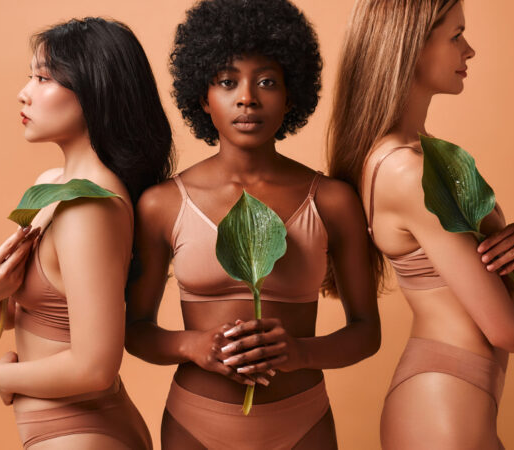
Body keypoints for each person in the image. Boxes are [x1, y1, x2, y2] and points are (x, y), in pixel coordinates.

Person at [124, 1, 380, 448]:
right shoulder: (162, 204)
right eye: (227, 82)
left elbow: (367, 331)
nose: (247, 98)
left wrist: (302, 352)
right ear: (202, 96)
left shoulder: (333, 200)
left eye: (267, 81)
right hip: (194, 423)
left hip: (303, 422)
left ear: (291, 94)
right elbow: (135, 330)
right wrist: (193, 346)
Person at [327, 1, 514, 448]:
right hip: (441, 405)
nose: (470, 50)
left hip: (454, 399)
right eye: (455, 35)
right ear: (411, 46)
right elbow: (506, 329)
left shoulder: (422, 154)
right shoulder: (407, 170)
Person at [0, 17, 174, 449]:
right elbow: (44, 320)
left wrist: (2, 374)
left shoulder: (90, 209)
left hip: (83, 434)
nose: (24, 92)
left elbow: (94, 367)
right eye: (31, 76)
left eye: (44, 78)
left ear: (95, 92)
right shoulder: (50, 186)